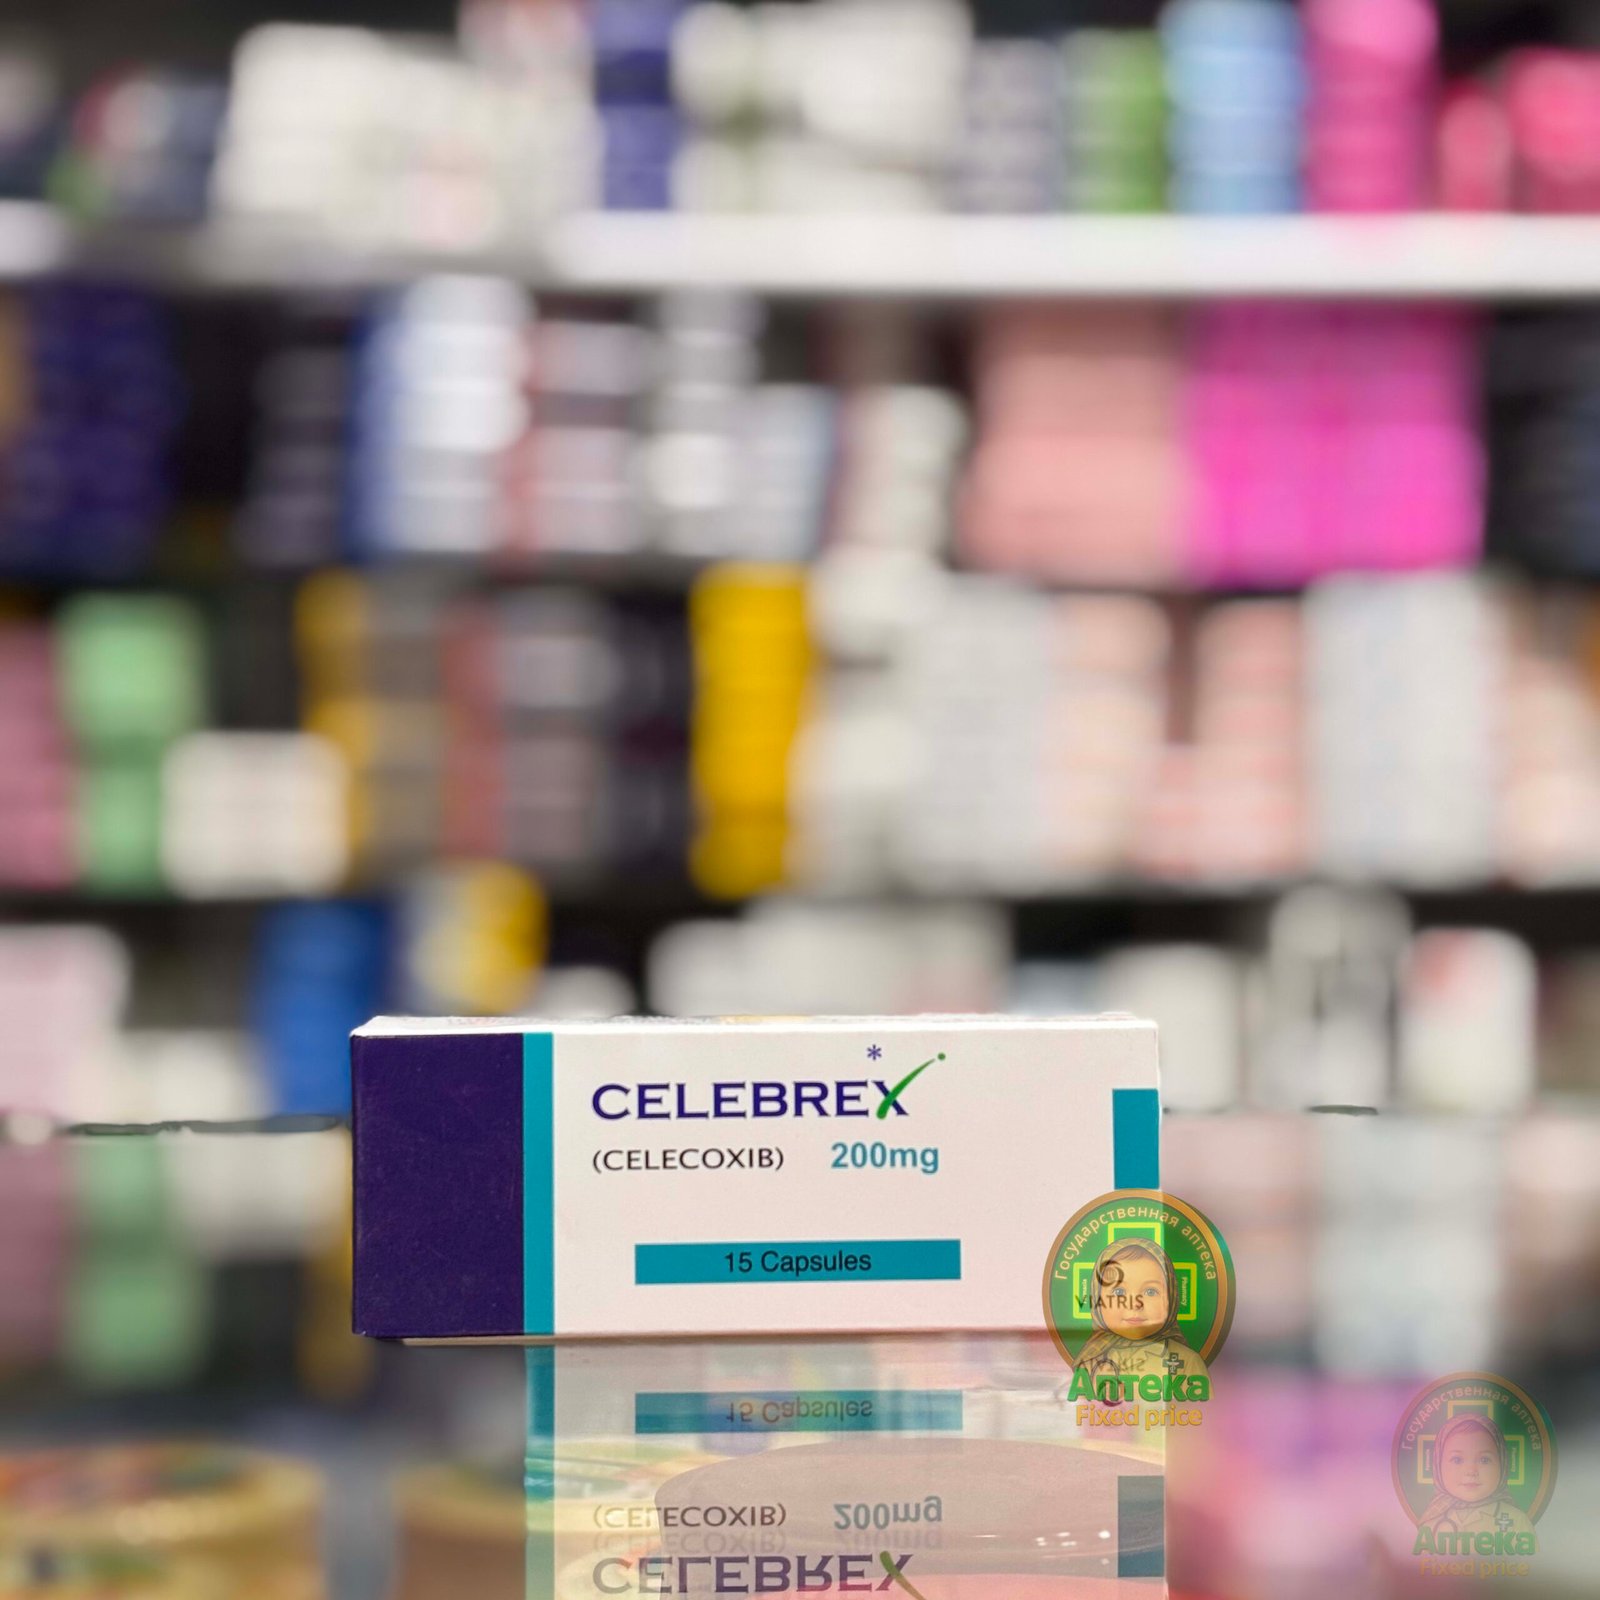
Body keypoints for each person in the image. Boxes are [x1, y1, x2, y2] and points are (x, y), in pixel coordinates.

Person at [1073, 1237, 1207, 1382]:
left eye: (1150, 1292)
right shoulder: (1089, 1362)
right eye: (1119, 1292)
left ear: (1171, 1298)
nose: (1135, 1304)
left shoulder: (1188, 1361)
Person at [1419, 1413, 1535, 1538]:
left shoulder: (1517, 1520)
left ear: (1502, 1464)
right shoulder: (1431, 1520)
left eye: (1484, 1460)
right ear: (1437, 1465)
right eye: (1457, 1460)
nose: (1471, 1471)